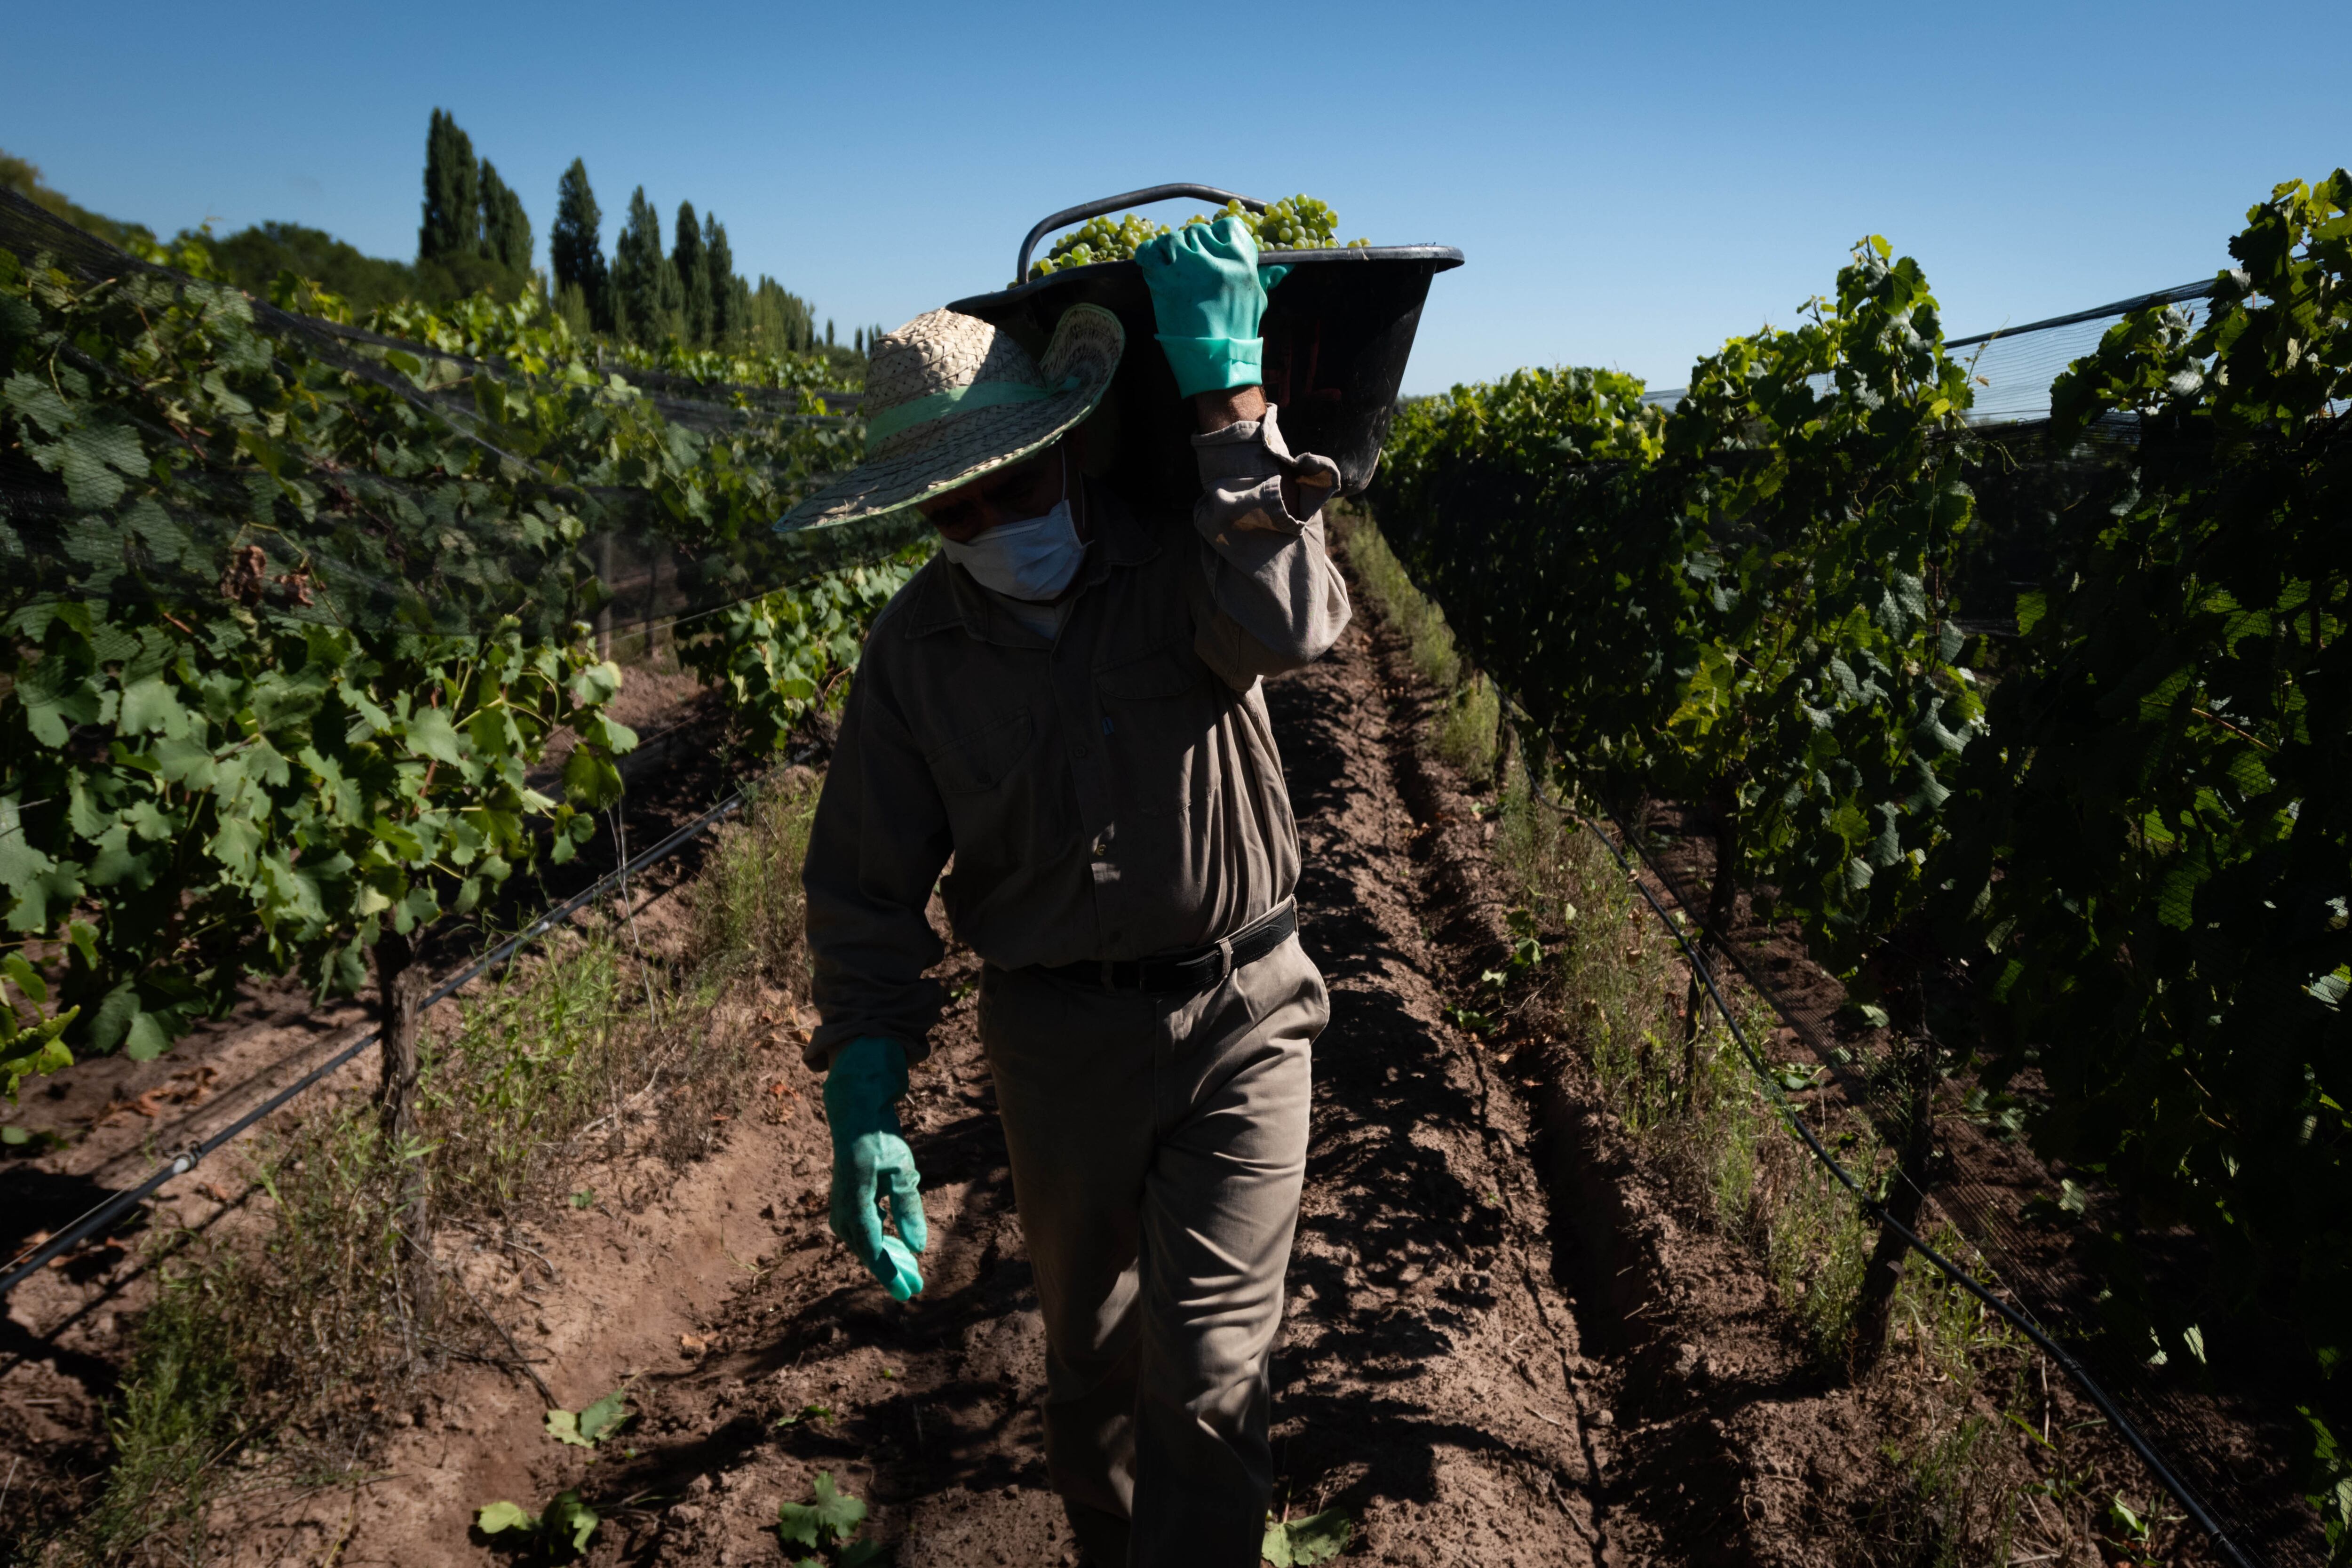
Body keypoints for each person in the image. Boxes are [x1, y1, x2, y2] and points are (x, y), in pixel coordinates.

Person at [783, 216, 1350, 1567]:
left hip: (1241, 1015)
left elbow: (1298, 629)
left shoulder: (1181, 555)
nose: (987, 524)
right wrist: (867, 1090)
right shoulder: (915, 649)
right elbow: (866, 881)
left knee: (1209, 1384)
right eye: (951, 507)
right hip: (1054, 1045)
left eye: (1009, 485)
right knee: (1088, 1372)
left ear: (1066, 448)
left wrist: (1228, 402)